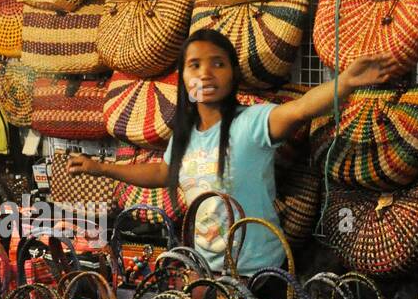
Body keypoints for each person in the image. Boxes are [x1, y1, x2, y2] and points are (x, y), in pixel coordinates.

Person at [67, 28, 395, 274]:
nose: (205, 73)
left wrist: (347, 82)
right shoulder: (183, 136)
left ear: (233, 74)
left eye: (217, 64)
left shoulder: (251, 123)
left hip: (258, 271)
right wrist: (103, 168)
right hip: (205, 268)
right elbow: (163, 172)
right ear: (182, 78)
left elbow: (301, 109)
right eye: (194, 65)